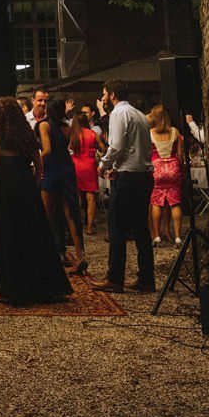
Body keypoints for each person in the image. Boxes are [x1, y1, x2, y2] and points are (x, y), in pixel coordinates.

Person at [0, 97, 71, 304]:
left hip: (5, 191)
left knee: (2, 237)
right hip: (26, 189)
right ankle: (41, 285)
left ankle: (10, 289)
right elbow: (38, 163)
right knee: (33, 234)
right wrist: (35, 179)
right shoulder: (27, 134)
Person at [90, 81, 154, 294]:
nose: (103, 98)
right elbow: (136, 147)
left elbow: (116, 146)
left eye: (104, 94)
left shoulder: (119, 113)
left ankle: (115, 278)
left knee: (116, 227)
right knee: (140, 229)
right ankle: (147, 278)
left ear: (113, 94)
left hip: (127, 178)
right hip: (143, 175)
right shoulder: (140, 115)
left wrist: (104, 164)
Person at [37, 99, 87, 274]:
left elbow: (48, 150)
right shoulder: (67, 127)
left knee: (49, 214)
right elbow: (73, 145)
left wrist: (37, 162)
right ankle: (80, 256)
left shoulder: (44, 126)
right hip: (67, 168)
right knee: (71, 213)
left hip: (51, 170)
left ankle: (52, 253)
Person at [146, 104, 184, 246]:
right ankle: (178, 236)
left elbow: (147, 153)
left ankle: (156, 236)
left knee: (156, 202)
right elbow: (180, 155)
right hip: (173, 167)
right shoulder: (175, 132)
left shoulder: (150, 133)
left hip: (157, 169)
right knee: (175, 203)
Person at [68, 110, 100, 235]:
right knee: (90, 197)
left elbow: (69, 148)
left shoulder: (73, 135)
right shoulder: (92, 133)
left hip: (75, 165)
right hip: (89, 166)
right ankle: (89, 226)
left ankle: (77, 224)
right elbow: (102, 147)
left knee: (77, 196)